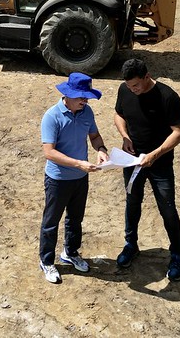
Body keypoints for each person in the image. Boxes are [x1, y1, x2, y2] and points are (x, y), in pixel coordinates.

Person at [113, 58, 180, 281]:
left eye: (136, 85)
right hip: (133, 161)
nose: (132, 90)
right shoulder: (125, 90)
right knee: (132, 202)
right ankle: (130, 245)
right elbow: (119, 115)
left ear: (147, 77)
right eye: (128, 86)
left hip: (160, 164)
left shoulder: (168, 96)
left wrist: (156, 154)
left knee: (167, 208)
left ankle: (176, 254)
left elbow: (179, 132)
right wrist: (125, 137)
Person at [39, 72, 109, 284]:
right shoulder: (52, 116)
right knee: (51, 222)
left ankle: (70, 252)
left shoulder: (87, 113)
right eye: (81, 97)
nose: (85, 101)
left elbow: (94, 136)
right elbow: (49, 152)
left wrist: (101, 149)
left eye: (86, 97)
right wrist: (79, 163)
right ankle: (47, 260)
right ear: (67, 95)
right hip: (58, 179)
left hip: (80, 178)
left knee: (75, 219)